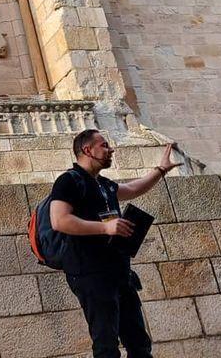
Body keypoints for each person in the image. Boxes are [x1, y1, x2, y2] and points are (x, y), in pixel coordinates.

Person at [49, 129, 181, 358]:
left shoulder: (104, 184)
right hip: (90, 273)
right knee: (106, 346)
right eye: (104, 145)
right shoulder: (69, 180)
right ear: (87, 150)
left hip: (119, 272)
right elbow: (59, 220)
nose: (111, 150)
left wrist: (160, 169)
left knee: (139, 343)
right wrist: (105, 227)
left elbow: (133, 189)